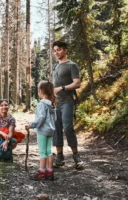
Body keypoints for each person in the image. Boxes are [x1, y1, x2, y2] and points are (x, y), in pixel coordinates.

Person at [52, 40, 84, 168]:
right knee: (56, 129)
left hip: (67, 102)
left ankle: (77, 157)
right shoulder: (55, 67)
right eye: (55, 51)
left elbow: (77, 83)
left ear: (65, 50)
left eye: (59, 50)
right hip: (56, 103)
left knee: (68, 127)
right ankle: (60, 158)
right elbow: (53, 86)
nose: (56, 53)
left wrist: (62, 88)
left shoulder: (72, 65)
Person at [25, 80, 56, 181]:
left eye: (38, 90)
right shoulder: (52, 104)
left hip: (42, 131)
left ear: (41, 91)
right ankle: (50, 172)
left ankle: (42, 172)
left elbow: (41, 118)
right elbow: (54, 119)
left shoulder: (41, 104)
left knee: (42, 152)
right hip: (51, 130)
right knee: (49, 151)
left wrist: (31, 125)